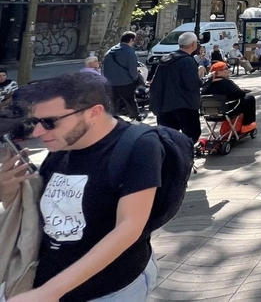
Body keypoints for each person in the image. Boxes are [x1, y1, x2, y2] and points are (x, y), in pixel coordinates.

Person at [0, 72, 164, 300]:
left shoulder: (139, 145)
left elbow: (129, 227)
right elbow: (42, 212)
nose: (37, 132)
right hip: (46, 281)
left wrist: (49, 291)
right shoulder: (63, 146)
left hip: (108, 290)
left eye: (50, 122)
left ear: (93, 113)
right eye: (35, 122)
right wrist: (8, 188)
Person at [150, 31, 202, 143]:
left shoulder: (166, 59)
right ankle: (185, 157)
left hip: (164, 105)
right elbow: (192, 84)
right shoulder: (188, 61)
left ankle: (172, 158)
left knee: (169, 138)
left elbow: (155, 82)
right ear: (193, 44)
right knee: (191, 135)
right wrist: (205, 80)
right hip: (185, 105)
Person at [103, 30, 144, 121]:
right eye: (134, 40)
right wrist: (135, 78)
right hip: (125, 82)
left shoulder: (111, 50)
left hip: (110, 82)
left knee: (113, 102)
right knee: (130, 101)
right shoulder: (129, 52)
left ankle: (111, 119)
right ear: (131, 40)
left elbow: (104, 66)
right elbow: (132, 68)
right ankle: (137, 117)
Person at [202, 61, 256, 127]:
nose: (228, 70)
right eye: (226, 69)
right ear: (219, 72)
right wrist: (243, 91)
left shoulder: (206, 85)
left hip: (208, 114)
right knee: (249, 98)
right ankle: (247, 123)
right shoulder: (226, 83)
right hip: (228, 112)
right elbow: (239, 94)